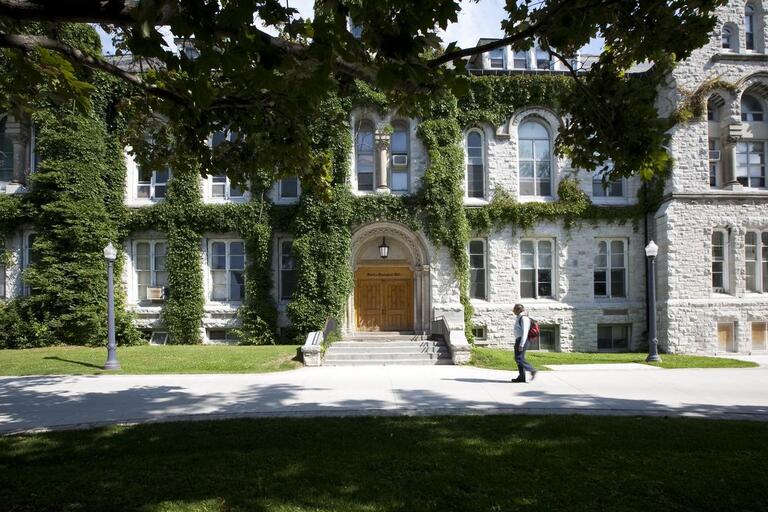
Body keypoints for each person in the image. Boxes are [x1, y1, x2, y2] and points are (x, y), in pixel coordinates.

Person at [511, 303, 537, 383]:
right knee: (519, 358)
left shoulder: (524, 318)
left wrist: (521, 344)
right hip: (519, 340)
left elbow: (525, 332)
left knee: (518, 358)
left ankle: (532, 370)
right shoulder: (520, 317)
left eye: (514, 309)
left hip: (522, 340)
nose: (513, 310)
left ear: (519, 309)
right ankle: (521, 377)